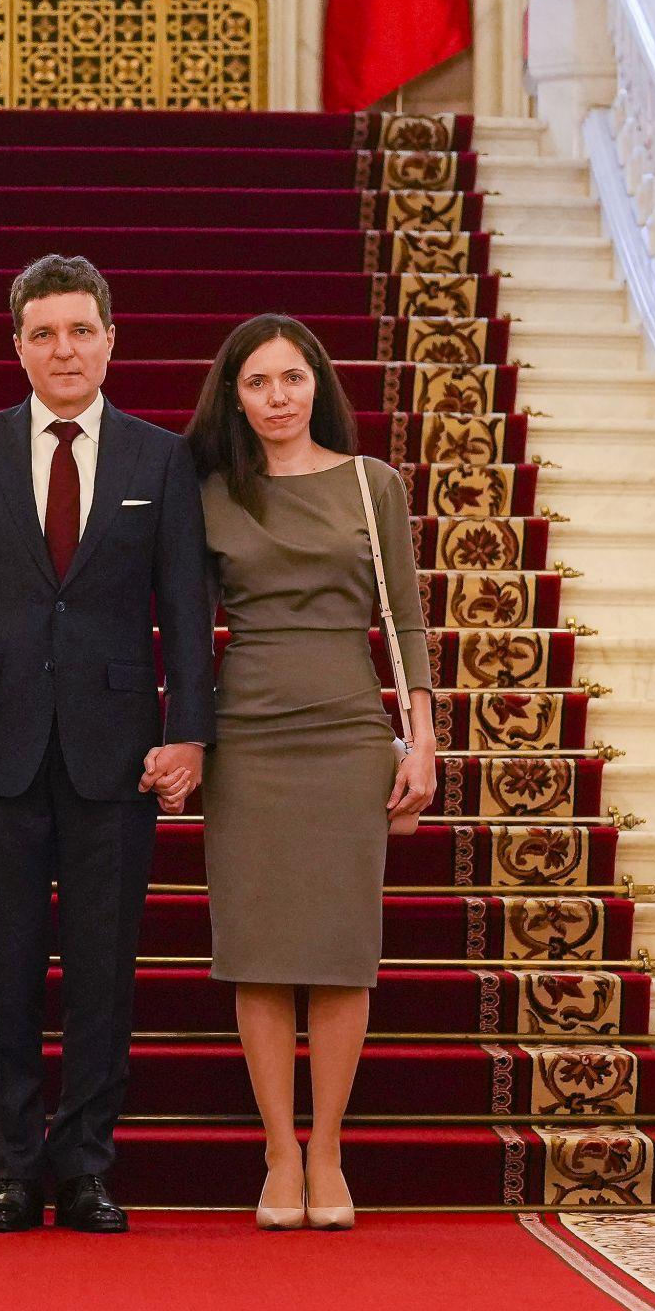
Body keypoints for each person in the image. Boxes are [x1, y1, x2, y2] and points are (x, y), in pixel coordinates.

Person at [0, 254, 215, 1233]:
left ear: (111, 340)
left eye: (80, 331)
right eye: (43, 333)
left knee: (104, 973)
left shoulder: (160, 459)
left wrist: (189, 735)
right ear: (17, 347)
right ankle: (12, 1172)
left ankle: (86, 1170)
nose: (63, 349)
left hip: (117, 755)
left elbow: (184, 612)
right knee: (6, 970)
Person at [184, 312, 438, 1230]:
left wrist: (422, 739)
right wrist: (181, 734)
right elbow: (185, 623)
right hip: (247, 735)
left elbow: (404, 619)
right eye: (257, 383)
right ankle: (278, 1152)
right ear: (235, 398)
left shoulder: (373, 484)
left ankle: (327, 1149)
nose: (278, 397)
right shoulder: (210, 491)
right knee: (258, 950)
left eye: (292, 378)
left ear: (317, 384)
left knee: (339, 950)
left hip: (346, 730)